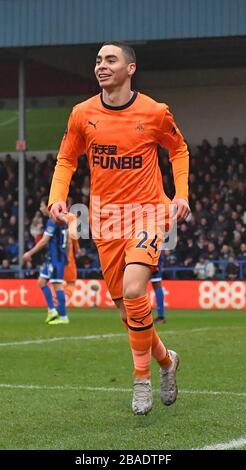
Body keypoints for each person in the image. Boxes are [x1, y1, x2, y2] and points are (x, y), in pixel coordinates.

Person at [48, 42, 190, 415]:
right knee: (130, 316)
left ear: (131, 69)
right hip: (106, 220)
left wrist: (181, 194)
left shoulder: (155, 112)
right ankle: (166, 362)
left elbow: (179, 150)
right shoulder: (82, 114)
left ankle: (140, 380)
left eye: (111, 60)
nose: (101, 65)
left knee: (133, 289)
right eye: (98, 60)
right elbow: (66, 158)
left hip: (148, 213)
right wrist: (57, 197)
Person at [23, 198, 69, 325]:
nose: (40, 208)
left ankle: (63, 316)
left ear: (48, 206)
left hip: (56, 258)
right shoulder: (63, 220)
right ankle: (52, 311)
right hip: (54, 258)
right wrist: (68, 257)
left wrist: (29, 253)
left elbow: (44, 241)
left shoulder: (53, 220)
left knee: (57, 285)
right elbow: (68, 240)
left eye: (42, 206)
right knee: (41, 281)